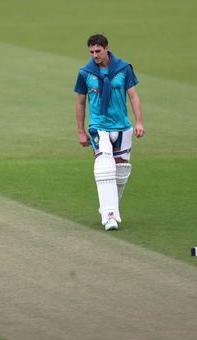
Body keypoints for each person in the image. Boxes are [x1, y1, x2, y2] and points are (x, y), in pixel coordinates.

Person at [73, 34, 145, 231]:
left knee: (121, 172)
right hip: (98, 126)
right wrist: (81, 131)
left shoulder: (124, 69)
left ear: (106, 49)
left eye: (98, 51)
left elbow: (133, 96)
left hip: (122, 126)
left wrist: (139, 122)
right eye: (91, 52)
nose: (94, 55)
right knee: (105, 166)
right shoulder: (85, 73)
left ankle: (107, 207)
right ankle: (110, 217)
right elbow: (80, 103)